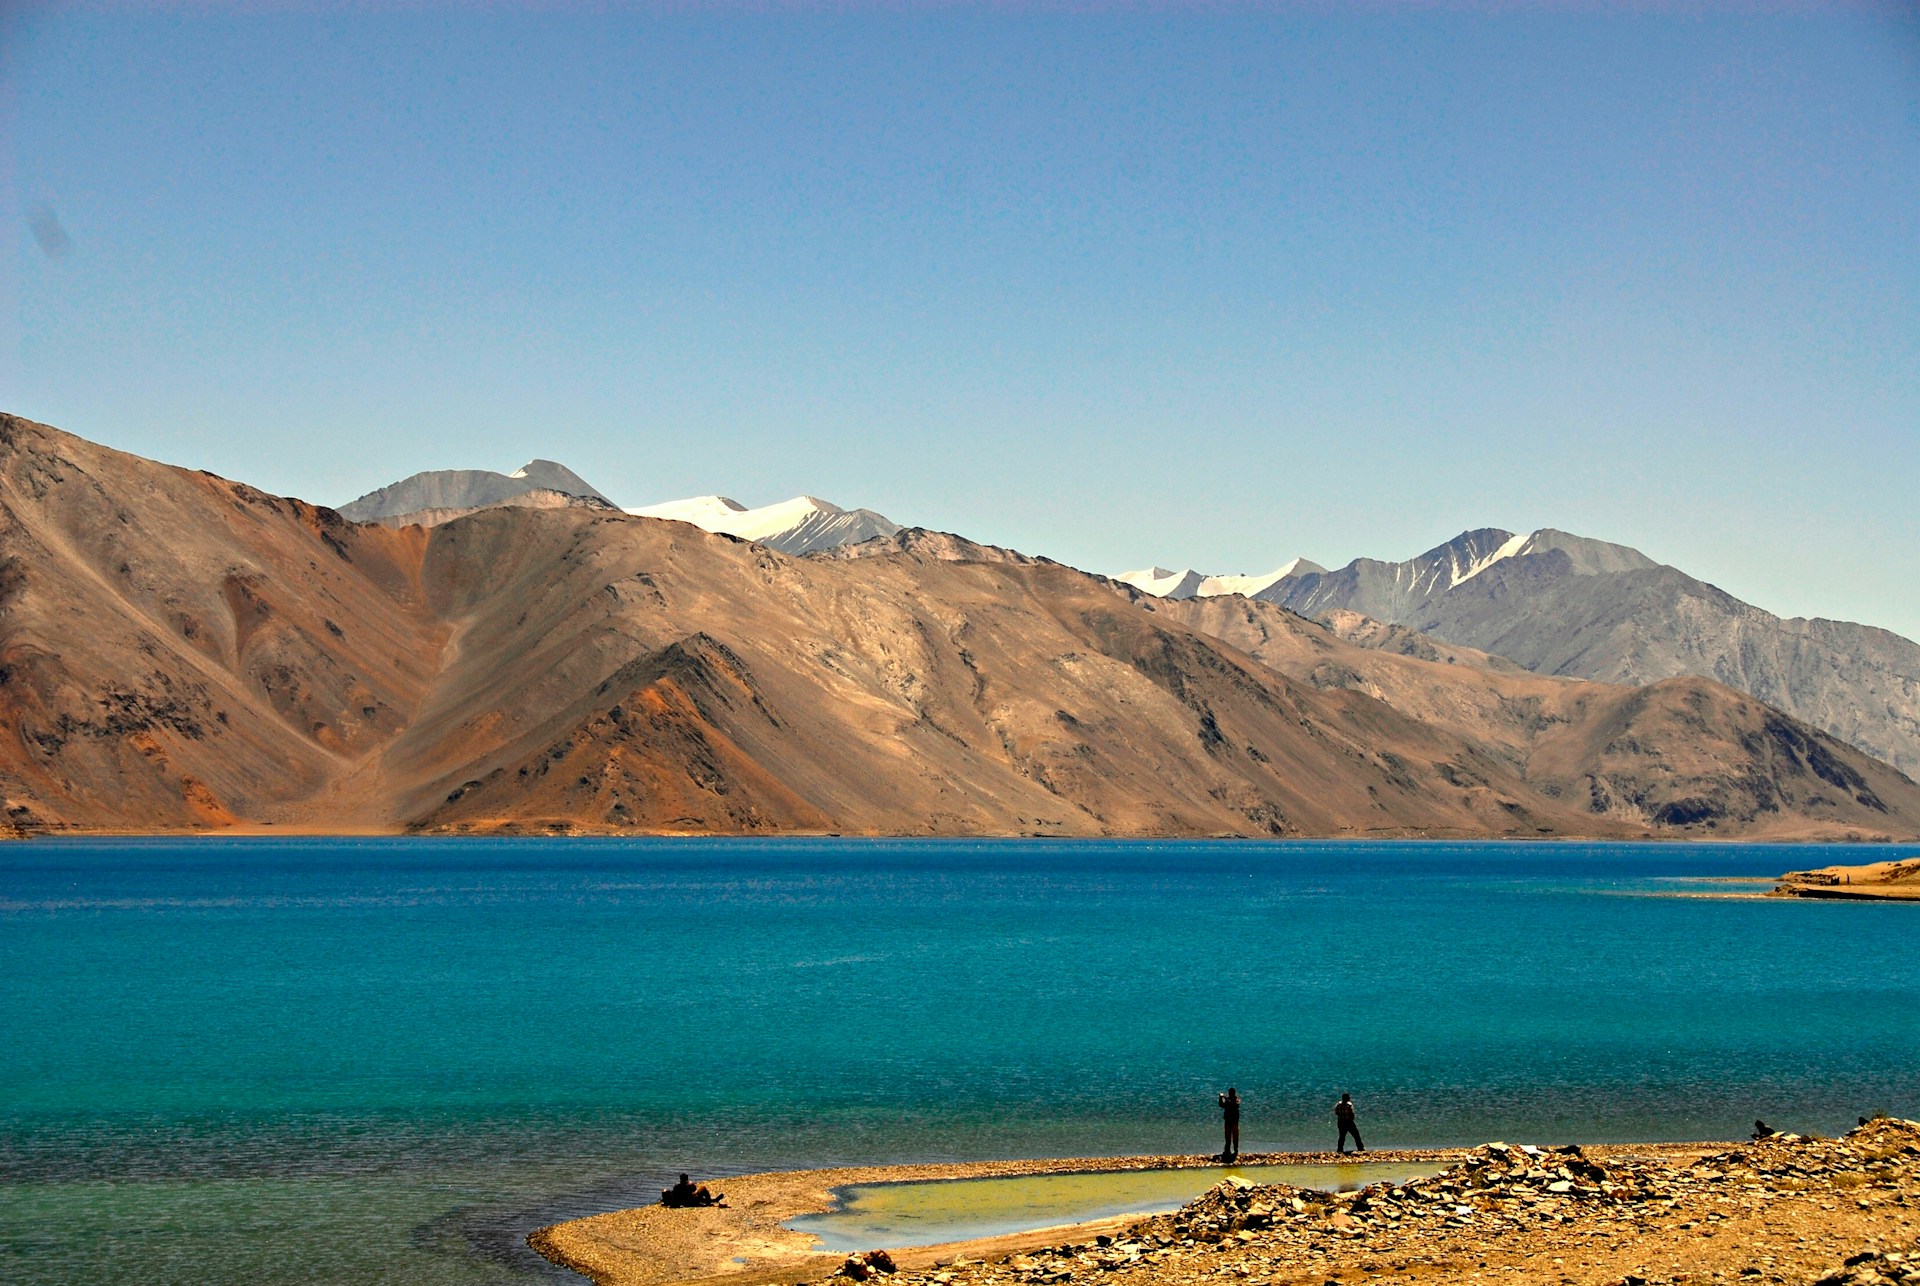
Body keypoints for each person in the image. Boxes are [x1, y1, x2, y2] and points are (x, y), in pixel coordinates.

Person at [1217, 1087, 1241, 1160]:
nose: (1230, 1094)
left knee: (1235, 1137)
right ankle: (1227, 1150)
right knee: (1227, 1137)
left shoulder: (1237, 1100)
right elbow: (1221, 1105)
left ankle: (1235, 1150)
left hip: (1234, 1121)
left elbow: (1234, 1104)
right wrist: (1221, 1098)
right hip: (1227, 1121)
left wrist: (1224, 1097)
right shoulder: (1227, 1100)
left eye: (1231, 1093)